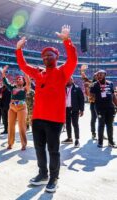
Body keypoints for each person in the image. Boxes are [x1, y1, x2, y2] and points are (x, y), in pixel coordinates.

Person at [16, 25, 77, 192]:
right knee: (38, 148)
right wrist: (18, 50)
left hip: (55, 119)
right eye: (43, 56)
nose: (46, 58)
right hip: (37, 119)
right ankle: (42, 174)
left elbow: (73, 60)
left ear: (56, 57)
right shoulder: (39, 73)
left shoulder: (63, 72)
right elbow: (24, 66)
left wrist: (66, 40)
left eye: (49, 55)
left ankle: (54, 178)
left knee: (53, 150)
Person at [2, 67, 30, 150]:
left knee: (21, 126)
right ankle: (10, 143)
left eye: (20, 79)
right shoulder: (12, 88)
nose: (18, 80)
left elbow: (28, 83)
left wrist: (25, 74)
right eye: (17, 79)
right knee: (10, 125)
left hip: (22, 108)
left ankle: (24, 144)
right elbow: (5, 82)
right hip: (12, 108)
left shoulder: (25, 89)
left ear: (23, 81)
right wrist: (3, 72)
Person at [90, 70, 117, 148]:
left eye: (101, 74)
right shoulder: (94, 85)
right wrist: (91, 96)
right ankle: (100, 142)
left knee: (110, 125)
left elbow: (113, 96)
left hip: (110, 108)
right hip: (100, 108)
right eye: (98, 75)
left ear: (105, 75)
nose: (99, 76)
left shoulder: (110, 83)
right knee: (101, 124)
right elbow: (91, 96)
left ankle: (111, 142)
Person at [61, 77, 84, 148]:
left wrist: (82, 110)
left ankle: (77, 140)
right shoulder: (63, 88)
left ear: (72, 80)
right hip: (66, 109)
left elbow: (81, 99)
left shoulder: (77, 88)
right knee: (68, 124)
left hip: (74, 109)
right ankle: (69, 138)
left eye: (69, 80)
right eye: (67, 80)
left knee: (75, 124)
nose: (68, 81)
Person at [80, 65, 99, 140]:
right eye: (96, 76)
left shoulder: (103, 84)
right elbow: (84, 79)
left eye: (98, 75)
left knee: (102, 119)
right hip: (93, 103)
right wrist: (82, 71)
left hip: (101, 104)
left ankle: (101, 133)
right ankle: (93, 133)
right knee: (94, 118)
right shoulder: (91, 83)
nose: (97, 77)